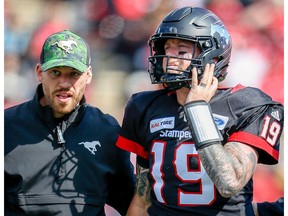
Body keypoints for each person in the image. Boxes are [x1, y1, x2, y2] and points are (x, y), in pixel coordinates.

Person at [116, 6, 284, 216]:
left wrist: (197, 109)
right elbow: (142, 200)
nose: (170, 58)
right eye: (167, 48)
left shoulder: (247, 104)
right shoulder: (144, 106)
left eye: (181, 50)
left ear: (212, 57)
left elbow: (230, 181)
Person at [4, 30, 135, 216]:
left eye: (73, 74)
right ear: (40, 73)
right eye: (55, 72)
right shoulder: (7, 127)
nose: (64, 83)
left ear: (88, 75)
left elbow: (133, 204)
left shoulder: (106, 130)